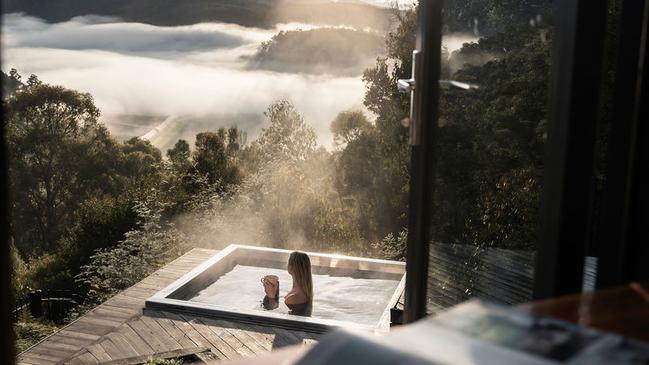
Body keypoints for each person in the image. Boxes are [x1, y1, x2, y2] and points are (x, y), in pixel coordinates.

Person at [261, 251, 313, 316]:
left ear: (290, 267)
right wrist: (275, 291)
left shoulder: (294, 297)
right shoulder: (300, 291)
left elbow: (274, 315)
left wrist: (271, 297)